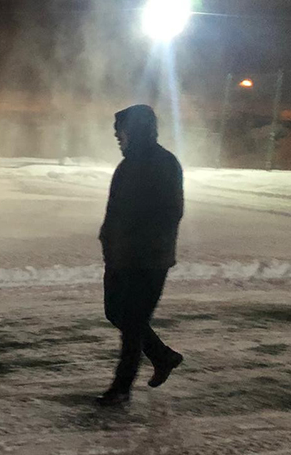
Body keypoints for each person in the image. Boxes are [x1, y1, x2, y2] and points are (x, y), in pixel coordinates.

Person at [96, 104, 184, 406]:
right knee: (115, 312)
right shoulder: (127, 166)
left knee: (132, 324)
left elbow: (171, 212)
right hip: (120, 256)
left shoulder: (164, 164)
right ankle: (163, 356)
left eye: (120, 131)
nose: (117, 137)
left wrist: (137, 242)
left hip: (148, 259)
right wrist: (108, 240)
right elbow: (114, 210)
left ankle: (121, 388)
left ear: (134, 130)